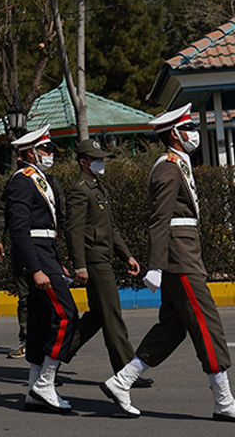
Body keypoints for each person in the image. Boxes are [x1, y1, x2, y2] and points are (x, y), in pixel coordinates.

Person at [100, 105, 235, 422]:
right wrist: (156, 265)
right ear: (175, 134)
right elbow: (160, 220)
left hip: (184, 251)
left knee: (172, 328)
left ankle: (121, 381)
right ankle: (224, 400)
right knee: (207, 323)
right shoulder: (168, 168)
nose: (193, 134)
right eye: (188, 128)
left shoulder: (178, 164)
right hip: (179, 256)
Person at [62, 139, 150, 387]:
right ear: (83, 162)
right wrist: (80, 265)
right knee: (112, 316)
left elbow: (109, 228)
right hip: (94, 260)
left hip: (104, 257)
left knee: (97, 318)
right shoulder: (80, 189)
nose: (101, 162)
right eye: (95, 158)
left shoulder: (98, 187)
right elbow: (75, 230)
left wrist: (127, 255)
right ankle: (126, 372)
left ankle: (54, 355)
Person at [3, 126, 76, 413]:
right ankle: (46, 381)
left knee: (39, 322)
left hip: (46, 255)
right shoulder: (21, 182)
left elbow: (46, 229)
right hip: (37, 258)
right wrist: (36, 269)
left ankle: (34, 390)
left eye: (51, 149)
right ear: (29, 152)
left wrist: (56, 262)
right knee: (67, 315)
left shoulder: (38, 179)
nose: (51, 154)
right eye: (46, 149)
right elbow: (20, 231)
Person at [0, 195, 30, 359]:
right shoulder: (17, 183)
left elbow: (60, 213)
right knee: (25, 298)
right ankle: (27, 341)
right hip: (22, 247)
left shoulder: (49, 182)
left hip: (45, 246)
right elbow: (4, 211)